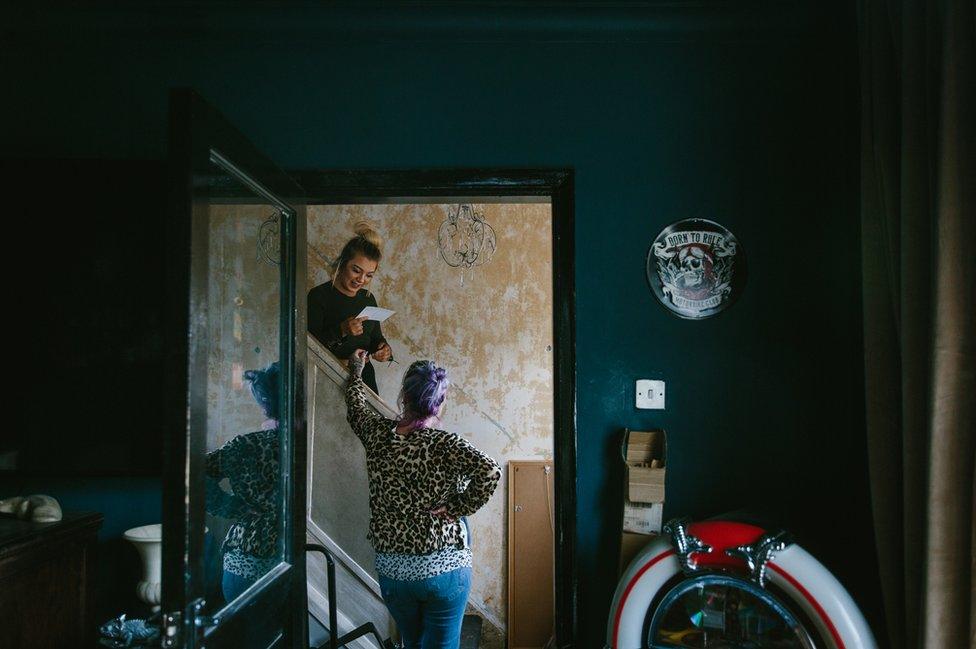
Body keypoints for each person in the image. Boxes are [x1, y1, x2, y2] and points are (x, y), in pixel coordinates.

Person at [345, 350, 501, 649]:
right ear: (439, 402)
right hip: (443, 567)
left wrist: (356, 370)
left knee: (413, 644)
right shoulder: (446, 443)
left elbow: (355, 408)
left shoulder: (378, 434)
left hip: (394, 571)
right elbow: (491, 471)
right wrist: (457, 508)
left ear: (405, 394)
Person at [205, 362, 281, 603]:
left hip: (247, 559)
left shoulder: (246, 445)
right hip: (255, 560)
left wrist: (230, 507)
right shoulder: (249, 445)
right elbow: (196, 473)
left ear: (265, 404)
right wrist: (230, 507)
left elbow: (195, 474)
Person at [308, 222, 393, 394]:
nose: (361, 279)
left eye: (369, 275)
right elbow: (309, 348)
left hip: (365, 383)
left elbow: (377, 339)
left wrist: (384, 350)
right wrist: (342, 330)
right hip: (329, 379)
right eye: (356, 270)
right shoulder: (319, 296)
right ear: (342, 263)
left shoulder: (368, 299)